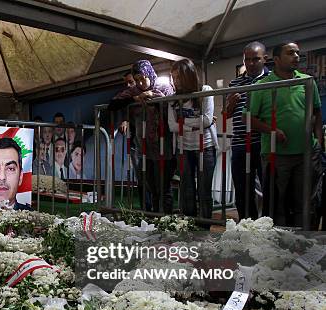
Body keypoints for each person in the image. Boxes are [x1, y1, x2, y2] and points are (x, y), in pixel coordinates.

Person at [248, 41, 323, 226]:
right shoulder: (262, 85)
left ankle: (306, 243)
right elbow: (248, 118)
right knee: (277, 204)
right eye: (290, 53)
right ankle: (279, 245)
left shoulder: (307, 81)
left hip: (306, 153)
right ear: (276, 59)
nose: (296, 57)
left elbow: (317, 113)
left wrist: (319, 142)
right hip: (276, 155)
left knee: (306, 202)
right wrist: (271, 130)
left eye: (297, 53)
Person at [110, 60, 176, 213]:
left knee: (163, 187)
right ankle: (153, 220)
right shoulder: (134, 91)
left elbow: (174, 110)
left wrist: (158, 101)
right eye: (137, 79)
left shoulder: (164, 87)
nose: (141, 82)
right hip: (144, 149)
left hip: (164, 146)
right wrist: (136, 99)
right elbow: (113, 104)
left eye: (143, 78)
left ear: (150, 74)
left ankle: (166, 220)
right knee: (151, 187)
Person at [168, 58, 219, 220]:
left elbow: (207, 120)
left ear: (188, 75)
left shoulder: (205, 90)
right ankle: (189, 225)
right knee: (187, 189)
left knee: (204, 190)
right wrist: (192, 126)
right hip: (183, 147)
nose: (175, 81)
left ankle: (204, 226)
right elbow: (172, 126)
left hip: (206, 146)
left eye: (178, 77)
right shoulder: (173, 98)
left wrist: (182, 122)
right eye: (173, 77)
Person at [226, 41, 269, 220]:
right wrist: (232, 104)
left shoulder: (271, 80)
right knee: (243, 191)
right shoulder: (235, 82)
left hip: (265, 143)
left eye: (256, 59)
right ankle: (246, 228)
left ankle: (268, 228)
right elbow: (226, 114)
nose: (251, 63)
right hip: (240, 143)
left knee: (269, 189)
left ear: (265, 59)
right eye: (247, 60)